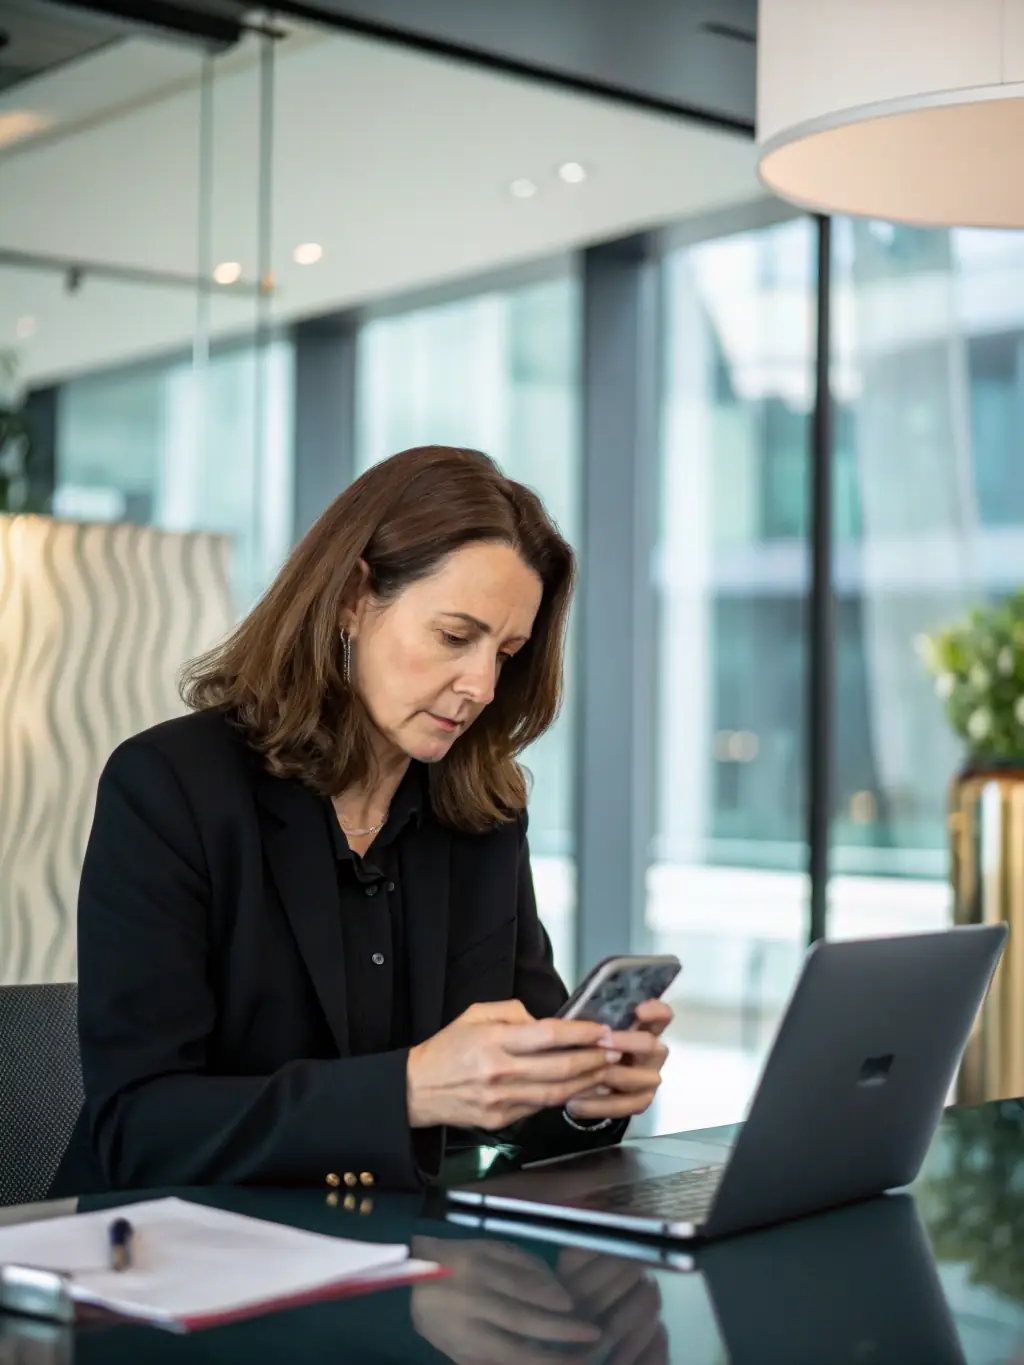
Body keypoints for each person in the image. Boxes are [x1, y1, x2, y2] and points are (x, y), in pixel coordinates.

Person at [53, 445, 671, 1195]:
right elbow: (138, 1128)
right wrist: (408, 1089)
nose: (479, 685)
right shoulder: (169, 787)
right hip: (168, 1259)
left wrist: (577, 1096)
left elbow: (508, 1110)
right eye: (454, 636)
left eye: (506, 653)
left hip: (390, 1260)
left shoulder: (482, 814)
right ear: (353, 597)